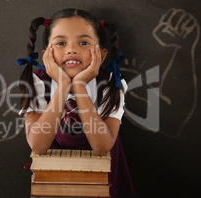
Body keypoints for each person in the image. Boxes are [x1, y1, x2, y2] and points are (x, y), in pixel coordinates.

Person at [16, 8, 135, 197]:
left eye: (84, 42)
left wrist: (79, 86)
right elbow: (38, 145)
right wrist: (63, 86)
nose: (72, 49)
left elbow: (102, 146)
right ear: (47, 54)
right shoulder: (37, 82)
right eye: (61, 43)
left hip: (105, 179)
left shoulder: (112, 84)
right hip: (55, 179)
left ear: (102, 56)